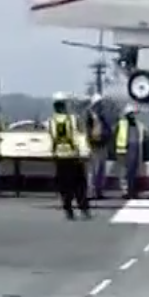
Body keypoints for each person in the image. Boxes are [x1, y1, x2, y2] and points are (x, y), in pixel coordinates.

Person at [48, 91, 90, 220]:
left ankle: (68, 210)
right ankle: (83, 209)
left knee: (65, 186)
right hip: (73, 155)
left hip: (60, 156)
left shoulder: (51, 121)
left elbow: (51, 138)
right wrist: (85, 152)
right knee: (79, 184)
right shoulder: (72, 119)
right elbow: (78, 136)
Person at [85, 95, 114, 205]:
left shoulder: (101, 116)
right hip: (94, 146)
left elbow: (107, 130)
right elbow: (87, 131)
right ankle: (90, 192)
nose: (100, 105)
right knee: (93, 171)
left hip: (102, 145)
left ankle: (98, 191)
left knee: (101, 170)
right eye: (98, 103)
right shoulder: (89, 116)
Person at [114, 104, 144, 201]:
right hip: (123, 150)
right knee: (124, 172)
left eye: (134, 114)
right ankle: (126, 192)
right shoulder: (121, 123)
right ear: (127, 114)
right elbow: (115, 136)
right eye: (132, 113)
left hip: (134, 149)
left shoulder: (137, 124)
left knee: (132, 172)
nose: (134, 115)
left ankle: (132, 191)